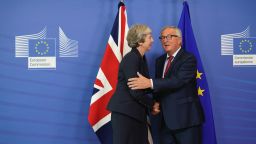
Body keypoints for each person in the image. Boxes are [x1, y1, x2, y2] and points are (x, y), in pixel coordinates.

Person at [127, 26, 204, 144]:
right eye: (162, 37)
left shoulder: (188, 58)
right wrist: (154, 103)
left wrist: (149, 82)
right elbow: (161, 88)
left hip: (186, 121)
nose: (165, 40)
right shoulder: (160, 60)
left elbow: (177, 81)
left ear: (179, 40)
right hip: (164, 121)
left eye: (169, 37)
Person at [107, 24, 160, 144]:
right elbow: (135, 91)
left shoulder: (140, 58)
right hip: (126, 114)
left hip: (134, 113)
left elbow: (144, 87)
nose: (152, 40)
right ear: (140, 41)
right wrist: (152, 104)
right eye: (149, 37)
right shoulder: (132, 59)